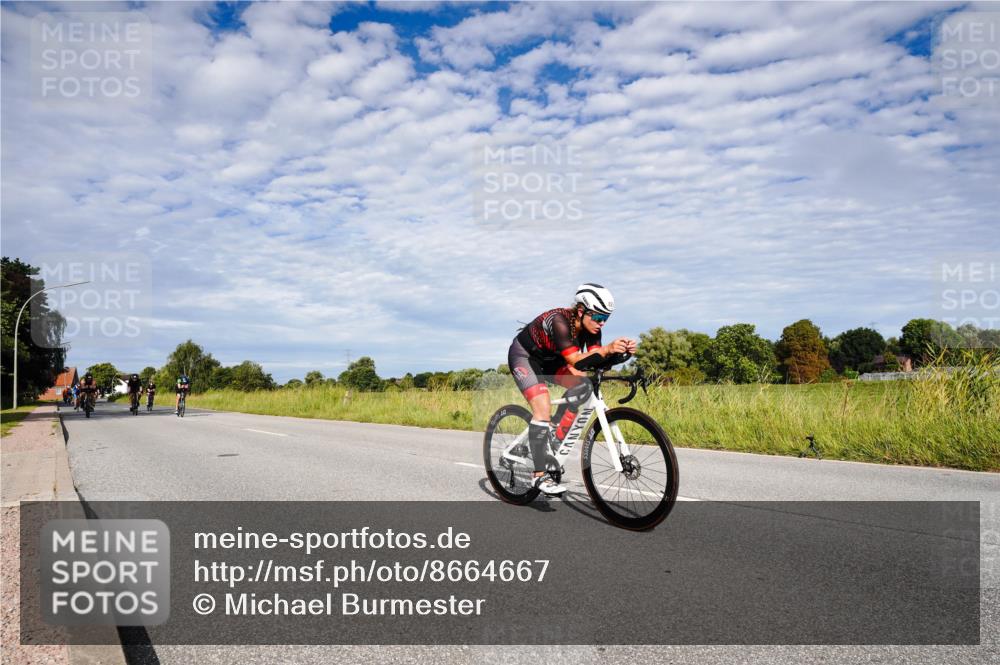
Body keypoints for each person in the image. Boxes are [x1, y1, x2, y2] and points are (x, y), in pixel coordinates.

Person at [507, 283, 636, 495]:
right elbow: (576, 360)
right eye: (597, 317)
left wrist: (620, 353)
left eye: (606, 319)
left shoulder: (592, 329)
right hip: (525, 357)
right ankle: (538, 476)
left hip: (553, 360)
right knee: (542, 406)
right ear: (580, 310)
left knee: (584, 385)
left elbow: (595, 361)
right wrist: (607, 349)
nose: (601, 323)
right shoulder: (559, 321)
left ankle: (555, 434)